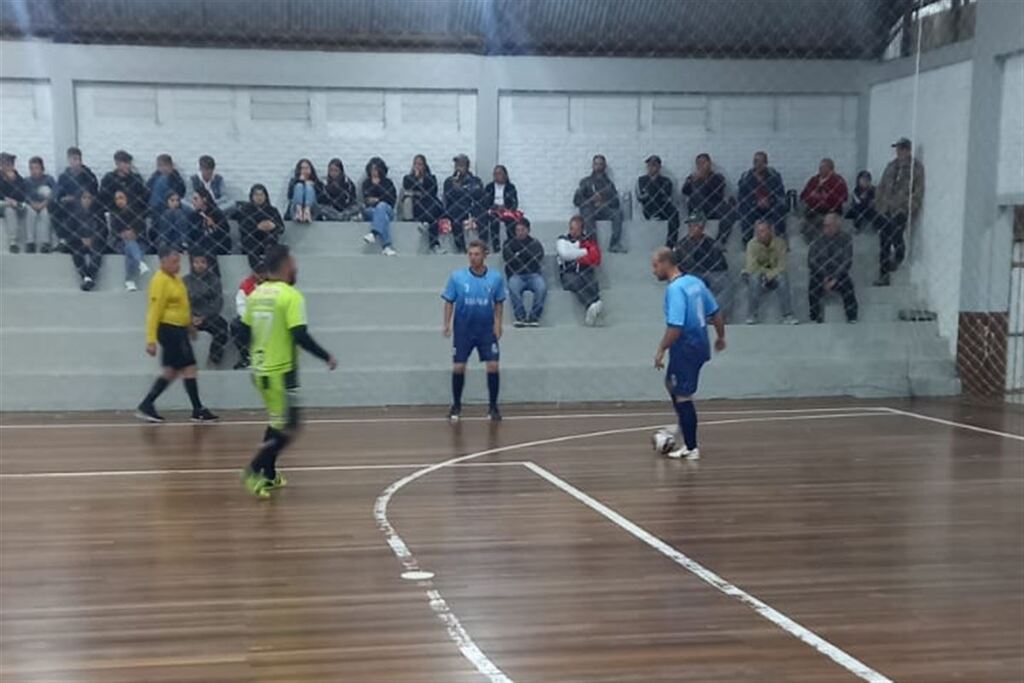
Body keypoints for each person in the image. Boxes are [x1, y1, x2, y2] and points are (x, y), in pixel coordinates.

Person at [239, 244, 337, 498]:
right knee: (290, 426)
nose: (297, 268)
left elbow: (243, 332)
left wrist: (258, 351)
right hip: (281, 372)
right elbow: (299, 335)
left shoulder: (256, 294)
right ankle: (253, 469)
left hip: (259, 371)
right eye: (293, 264)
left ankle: (269, 475)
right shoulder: (290, 296)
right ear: (284, 266)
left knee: (276, 422)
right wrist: (326, 356)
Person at [652, 246, 726, 460]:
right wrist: (720, 337)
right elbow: (716, 312)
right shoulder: (695, 282)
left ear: (667, 263)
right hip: (701, 344)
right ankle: (682, 423)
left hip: (686, 346)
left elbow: (676, 326)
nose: (653, 270)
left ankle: (691, 447)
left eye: (655, 265)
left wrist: (661, 349)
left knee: (683, 394)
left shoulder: (675, 290)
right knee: (671, 384)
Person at [135, 245, 219, 423]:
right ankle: (197, 409)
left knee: (172, 371)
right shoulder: (160, 281)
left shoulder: (176, 279)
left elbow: (183, 305)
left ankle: (147, 404)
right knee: (189, 367)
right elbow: (154, 311)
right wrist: (150, 340)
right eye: (174, 262)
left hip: (179, 329)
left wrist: (189, 325)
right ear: (163, 262)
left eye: (178, 262)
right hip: (169, 329)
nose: (177, 266)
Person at [442, 240, 505, 422]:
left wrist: (498, 323)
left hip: (486, 329)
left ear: (484, 255)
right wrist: (446, 324)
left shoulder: (495, 278)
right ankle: (456, 405)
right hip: (464, 329)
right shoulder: (457, 277)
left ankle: (493, 406)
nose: (473, 258)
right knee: (459, 366)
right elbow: (449, 301)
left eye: (477, 254)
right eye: (470, 254)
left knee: (493, 365)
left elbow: (499, 301)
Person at [874, 137, 925, 286]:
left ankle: (898, 256)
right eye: (897, 149)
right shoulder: (891, 166)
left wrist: (910, 207)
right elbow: (882, 186)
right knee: (884, 240)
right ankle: (883, 274)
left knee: (896, 233)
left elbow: (918, 190)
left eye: (901, 149)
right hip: (886, 208)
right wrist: (879, 204)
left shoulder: (915, 168)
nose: (898, 152)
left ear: (907, 150)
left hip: (901, 208)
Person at [673, 211, 731, 321]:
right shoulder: (681, 244)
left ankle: (717, 316)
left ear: (702, 227)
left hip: (711, 272)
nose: (691, 228)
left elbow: (722, 265)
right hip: (691, 273)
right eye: (690, 225)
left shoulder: (710, 242)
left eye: (695, 225)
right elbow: (676, 264)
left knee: (725, 284)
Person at [742, 219, 798, 325]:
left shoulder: (780, 243)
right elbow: (752, 266)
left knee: (782, 278)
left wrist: (769, 275)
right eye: (758, 231)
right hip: (756, 274)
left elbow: (782, 266)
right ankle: (751, 315)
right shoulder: (751, 244)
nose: (760, 234)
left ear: (770, 231)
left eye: (763, 231)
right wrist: (765, 273)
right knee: (754, 278)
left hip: (774, 276)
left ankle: (788, 315)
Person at [808, 212, 858, 324]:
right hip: (820, 272)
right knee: (813, 284)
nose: (827, 228)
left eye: (830, 225)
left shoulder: (846, 239)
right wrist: (824, 275)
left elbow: (847, 261)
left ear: (837, 225)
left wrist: (835, 278)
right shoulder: (817, 239)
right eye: (825, 225)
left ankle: (852, 317)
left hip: (838, 273)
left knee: (848, 285)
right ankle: (815, 317)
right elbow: (811, 260)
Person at [556, 215, 604, 326]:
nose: (573, 232)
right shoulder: (562, 239)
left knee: (592, 282)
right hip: (568, 272)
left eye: (577, 229)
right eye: (571, 228)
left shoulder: (588, 240)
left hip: (585, 271)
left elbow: (596, 258)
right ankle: (591, 305)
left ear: (582, 229)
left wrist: (575, 252)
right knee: (576, 281)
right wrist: (583, 252)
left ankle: (595, 307)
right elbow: (565, 254)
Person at [730, 151, 786, 244]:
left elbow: (780, 194)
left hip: (770, 206)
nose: (759, 164)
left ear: (766, 163)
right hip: (753, 207)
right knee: (746, 211)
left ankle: (781, 239)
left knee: (779, 209)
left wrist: (769, 201)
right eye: (756, 161)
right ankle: (746, 241)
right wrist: (755, 202)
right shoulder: (746, 177)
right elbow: (741, 197)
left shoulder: (774, 176)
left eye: (761, 162)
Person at [184, 253, 229, 366]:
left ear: (207, 264)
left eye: (203, 262)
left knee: (222, 328)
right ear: (192, 264)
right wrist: (191, 317)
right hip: (188, 317)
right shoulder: (185, 280)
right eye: (196, 262)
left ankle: (213, 360)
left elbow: (218, 302)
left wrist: (203, 317)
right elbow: (181, 302)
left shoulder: (214, 280)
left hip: (208, 317)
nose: (200, 265)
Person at [573, 154, 625, 252]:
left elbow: (616, 202)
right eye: (596, 164)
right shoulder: (585, 181)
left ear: (604, 166)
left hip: (604, 209)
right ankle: (593, 245)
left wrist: (604, 202)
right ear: (592, 165)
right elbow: (576, 201)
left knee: (618, 213)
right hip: (590, 209)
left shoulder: (609, 184)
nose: (598, 166)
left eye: (601, 164)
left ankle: (614, 244)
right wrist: (591, 200)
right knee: (587, 212)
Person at [502, 217, 546, 327]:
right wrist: (526, 255)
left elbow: (537, 257)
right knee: (513, 288)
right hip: (516, 275)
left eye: (522, 230)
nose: (520, 233)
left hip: (533, 275)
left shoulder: (535, 243)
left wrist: (519, 255)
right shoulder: (509, 243)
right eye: (517, 230)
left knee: (541, 288)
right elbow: (509, 258)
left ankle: (534, 317)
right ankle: (520, 317)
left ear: (528, 230)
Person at [54, 147, 99, 252]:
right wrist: (64, 198)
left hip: (85, 205)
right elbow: (58, 195)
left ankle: (75, 240)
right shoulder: (63, 177)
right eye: (73, 159)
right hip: (67, 205)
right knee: (53, 206)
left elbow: (93, 193)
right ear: (69, 160)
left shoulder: (88, 175)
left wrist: (77, 197)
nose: (76, 162)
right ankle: (63, 239)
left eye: (78, 159)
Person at [799, 158, 848, 244]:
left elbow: (843, 198)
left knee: (823, 222)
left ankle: (823, 242)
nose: (820, 169)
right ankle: (811, 240)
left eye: (823, 167)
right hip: (813, 209)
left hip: (831, 210)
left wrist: (824, 197)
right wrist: (813, 196)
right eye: (820, 167)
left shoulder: (838, 181)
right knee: (808, 220)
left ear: (830, 169)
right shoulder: (814, 180)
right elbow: (803, 195)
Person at [442, 154, 484, 254]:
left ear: (467, 166)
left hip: (470, 207)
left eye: (461, 164)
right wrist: (458, 189)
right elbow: (448, 196)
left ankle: (481, 245)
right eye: (456, 165)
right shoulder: (449, 181)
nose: (458, 167)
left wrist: (460, 189)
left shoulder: (475, 180)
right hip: (455, 209)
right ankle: (460, 246)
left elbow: (477, 193)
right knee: (455, 215)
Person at [237, 183, 285, 269]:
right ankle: (258, 271)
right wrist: (257, 227)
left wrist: (273, 226)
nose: (259, 197)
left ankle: (270, 270)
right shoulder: (245, 209)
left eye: (261, 194)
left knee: (273, 245)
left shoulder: (272, 210)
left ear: (266, 196)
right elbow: (243, 228)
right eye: (256, 195)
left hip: (268, 239)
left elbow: (281, 228)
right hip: (251, 240)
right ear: (251, 196)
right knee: (250, 244)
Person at [636, 155, 680, 248]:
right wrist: (656, 192)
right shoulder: (641, 180)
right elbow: (640, 197)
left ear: (659, 167)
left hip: (663, 207)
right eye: (649, 165)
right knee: (649, 204)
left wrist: (650, 192)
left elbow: (667, 196)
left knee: (674, 213)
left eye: (654, 165)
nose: (651, 167)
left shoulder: (666, 180)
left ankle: (670, 245)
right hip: (649, 207)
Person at [109, 189, 149, 291]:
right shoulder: (114, 214)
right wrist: (123, 235)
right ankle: (140, 263)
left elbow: (142, 229)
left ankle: (129, 281)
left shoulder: (136, 212)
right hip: (120, 243)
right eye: (116, 199)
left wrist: (134, 233)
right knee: (129, 245)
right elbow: (114, 231)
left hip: (139, 241)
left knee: (130, 249)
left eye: (121, 198)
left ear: (127, 198)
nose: (119, 201)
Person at [403, 155, 444, 251]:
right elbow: (408, 188)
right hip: (417, 205)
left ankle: (426, 223)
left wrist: (419, 188)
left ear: (425, 166)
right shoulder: (408, 178)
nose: (418, 166)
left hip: (429, 203)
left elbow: (432, 191)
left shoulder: (431, 178)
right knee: (432, 217)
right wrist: (416, 178)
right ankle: (434, 244)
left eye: (420, 164)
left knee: (433, 209)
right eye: (415, 164)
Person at [478, 164, 521, 253]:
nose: (497, 176)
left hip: (506, 210)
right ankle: (495, 247)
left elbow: (514, 202)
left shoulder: (510, 187)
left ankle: (511, 245)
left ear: (505, 175)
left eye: (499, 173)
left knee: (511, 222)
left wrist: (506, 208)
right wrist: (493, 206)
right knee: (493, 220)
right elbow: (484, 202)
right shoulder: (489, 187)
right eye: (495, 174)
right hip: (493, 210)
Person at [360, 157, 398, 256]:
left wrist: (378, 190)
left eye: (376, 169)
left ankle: (373, 233)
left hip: (387, 208)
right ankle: (387, 246)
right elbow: (366, 199)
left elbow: (391, 199)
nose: (374, 172)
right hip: (371, 210)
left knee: (381, 206)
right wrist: (374, 188)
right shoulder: (366, 183)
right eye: (372, 169)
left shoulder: (387, 182)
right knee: (383, 217)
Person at [230, 264, 266, 370]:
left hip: (267, 316)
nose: (261, 276)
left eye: (263, 274)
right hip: (250, 316)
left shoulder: (274, 285)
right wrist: (250, 318)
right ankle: (246, 357)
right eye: (258, 274)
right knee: (235, 325)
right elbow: (241, 304)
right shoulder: (246, 285)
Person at [68, 190, 104, 291]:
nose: (87, 200)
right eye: (84, 197)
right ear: (80, 199)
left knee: (97, 253)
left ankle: (89, 277)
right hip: (78, 242)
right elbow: (69, 231)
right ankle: (87, 277)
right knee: (77, 253)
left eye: (89, 198)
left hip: (95, 242)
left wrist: (92, 238)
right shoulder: (74, 214)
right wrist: (81, 239)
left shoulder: (98, 214)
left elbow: (103, 230)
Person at [188, 187, 232, 270]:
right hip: (199, 244)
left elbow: (225, 232)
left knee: (209, 246)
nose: (193, 202)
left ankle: (213, 277)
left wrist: (214, 226)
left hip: (216, 244)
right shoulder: (192, 216)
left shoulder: (216, 213)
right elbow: (190, 235)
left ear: (204, 199)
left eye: (196, 199)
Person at [681, 153, 730, 225]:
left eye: (703, 162)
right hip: (698, 209)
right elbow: (684, 191)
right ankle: (696, 219)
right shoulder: (692, 177)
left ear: (709, 163)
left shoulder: (718, 177)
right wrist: (692, 181)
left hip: (714, 208)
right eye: (698, 163)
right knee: (696, 186)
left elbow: (717, 190)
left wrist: (704, 179)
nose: (701, 165)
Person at [99, 150, 148, 218]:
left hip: (135, 215)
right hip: (116, 215)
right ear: (117, 163)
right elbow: (103, 198)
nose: (128, 166)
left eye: (129, 163)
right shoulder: (109, 179)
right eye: (125, 163)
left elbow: (143, 198)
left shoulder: (136, 179)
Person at [23, 156, 56, 253]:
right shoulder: (27, 181)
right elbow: (23, 194)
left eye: (36, 168)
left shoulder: (49, 179)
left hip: (45, 204)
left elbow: (56, 191)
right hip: (32, 205)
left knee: (45, 213)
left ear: (42, 169)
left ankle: (45, 243)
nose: (34, 171)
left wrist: (45, 203)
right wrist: (32, 203)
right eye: (31, 168)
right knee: (30, 212)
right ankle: (30, 242)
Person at [145, 154, 186, 221]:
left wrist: (171, 176)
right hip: (154, 208)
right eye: (160, 166)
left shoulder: (176, 177)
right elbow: (147, 191)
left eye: (165, 165)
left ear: (171, 166)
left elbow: (181, 192)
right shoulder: (155, 177)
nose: (163, 168)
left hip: (170, 207)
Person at [1, 152, 26, 253]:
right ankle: (11, 204)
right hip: (2, 203)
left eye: (9, 164)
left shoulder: (18, 179)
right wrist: (6, 199)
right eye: (4, 164)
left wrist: (12, 182)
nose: (7, 167)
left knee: (10, 210)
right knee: (9, 205)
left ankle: (13, 242)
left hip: (9, 207)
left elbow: (21, 196)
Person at [287, 158, 323, 223]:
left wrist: (314, 186)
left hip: (312, 211)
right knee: (299, 186)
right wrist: (300, 182)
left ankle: (307, 212)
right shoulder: (294, 181)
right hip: (295, 211)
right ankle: (299, 212)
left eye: (307, 168)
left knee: (309, 187)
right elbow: (289, 196)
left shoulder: (317, 183)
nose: (304, 170)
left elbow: (322, 199)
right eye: (302, 168)